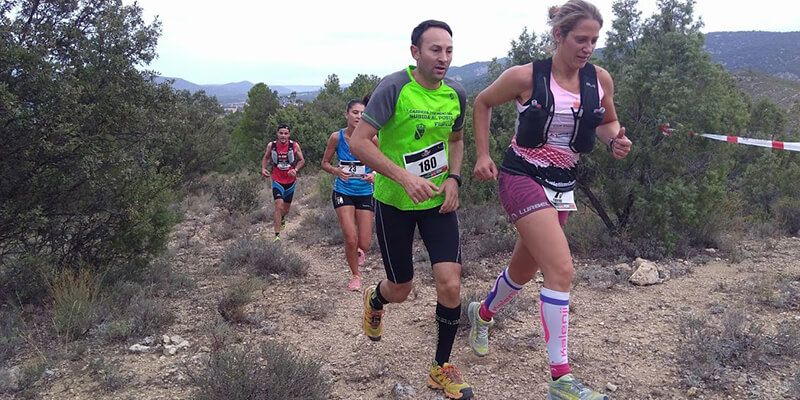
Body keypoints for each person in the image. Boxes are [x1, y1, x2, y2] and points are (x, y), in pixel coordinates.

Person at [466, 1, 633, 399]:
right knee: (561, 270)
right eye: (580, 39)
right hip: (521, 175)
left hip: (562, 183)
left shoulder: (599, 79)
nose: (588, 47)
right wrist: (483, 154)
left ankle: (482, 313)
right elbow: (482, 103)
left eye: (594, 40)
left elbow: (608, 121)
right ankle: (560, 380)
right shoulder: (524, 76)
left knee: (524, 269)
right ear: (558, 36)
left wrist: (616, 141)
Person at [350, 20, 473, 400]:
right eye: (435, 50)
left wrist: (453, 178)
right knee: (401, 288)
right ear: (415, 52)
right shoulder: (394, 87)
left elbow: (456, 139)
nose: (444, 58)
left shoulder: (456, 93)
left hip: (438, 200)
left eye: (449, 50)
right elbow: (359, 142)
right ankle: (376, 299)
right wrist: (403, 178)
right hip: (394, 202)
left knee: (450, 282)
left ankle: (440, 368)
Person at [321, 98, 377, 292]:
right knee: (350, 237)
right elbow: (325, 163)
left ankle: (359, 252)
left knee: (365, 243)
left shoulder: (373, 138)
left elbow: (385, 161)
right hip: (343, 190)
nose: (359, 116)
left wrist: (374, 174)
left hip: (365, 191)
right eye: (355, 112)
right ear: (347, 114)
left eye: (362, 113)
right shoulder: (337, 138)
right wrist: (337, 171)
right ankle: (355, 276)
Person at [261, 124, 305, 241]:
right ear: (277, 134)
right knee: (278, 206)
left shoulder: (294, 145)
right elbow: (266, 157)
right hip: (277, 180)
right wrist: (263, 168)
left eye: (285, 133)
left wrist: (295, 170)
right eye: (281, 133)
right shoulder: (272, 145)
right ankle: (277, 235)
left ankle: (283, 217)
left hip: (290, 181)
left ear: (289, 134)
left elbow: (302, 160)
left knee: (285, 209)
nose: (283, 136)